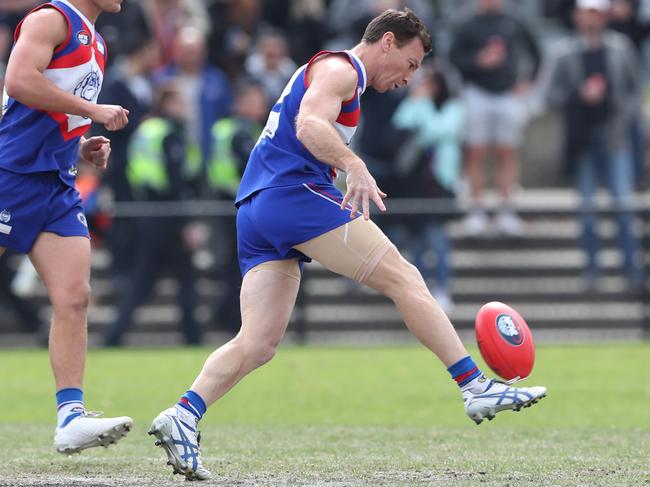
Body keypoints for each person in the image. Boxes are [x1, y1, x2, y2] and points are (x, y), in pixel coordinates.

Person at [148, 9, 547, 481]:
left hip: (256, 209)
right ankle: (473, 384)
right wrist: (353, 166)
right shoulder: (341, 70)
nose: (408, 77)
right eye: (411, 63)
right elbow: (309, 125)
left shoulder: (333, 72)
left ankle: (183, 414)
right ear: (388, 43)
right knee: (405, 277)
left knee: (257, 343)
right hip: (292, 196)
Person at [0, 0, 133, 454]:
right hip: (10, 175)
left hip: (56, 185)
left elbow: (52, 113)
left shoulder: (97, 41)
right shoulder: (50, 18)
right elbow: (18, 81)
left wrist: (81, 145)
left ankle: (71, 416)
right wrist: (92, 112)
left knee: (75, 297)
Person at [544, 0, 644, 290]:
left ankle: (632, 270)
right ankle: (592, 271)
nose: (592, 19)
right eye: (587, 13)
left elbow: (633, 94)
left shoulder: (621, 48)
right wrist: (580, 95)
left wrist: (614, 111)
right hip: (582, 142)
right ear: (577, 16)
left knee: (623, 207)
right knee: (587, 210)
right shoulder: (564, 52)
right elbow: (551, 95)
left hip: (614, 139)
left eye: (596, 13)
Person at [103, 82, 203, 346]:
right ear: (168, 105)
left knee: (142, 281)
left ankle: (114, 334)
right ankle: (192, 337)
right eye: (181, 103)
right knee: (185, 279)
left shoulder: (146, 130)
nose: (185, 109)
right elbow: (176, 180)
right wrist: (188, 223)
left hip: (148, 212)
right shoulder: (170, 134)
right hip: (169, 214)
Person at [449, 0, 542, 237]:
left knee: (507, 152)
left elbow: (536, 52)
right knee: (476, 152)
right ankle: (476, 210)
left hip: (509, 93)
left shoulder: (514, 21)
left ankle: (507, 210)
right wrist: (478, 61)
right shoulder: (467, 23)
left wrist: (527, 83)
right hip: (477, 92)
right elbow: (454, 59)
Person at [391, 63, 465, 313]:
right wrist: (417, 102)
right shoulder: (415, 104)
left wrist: (421, 108)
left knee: (438, 238)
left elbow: (440, 130)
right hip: (416, 186)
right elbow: (400, 123)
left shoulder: (452, 108)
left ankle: (442, 289)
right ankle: (421, 294)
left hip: (440, 185)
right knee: (418, 242)